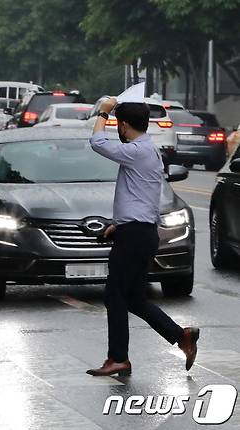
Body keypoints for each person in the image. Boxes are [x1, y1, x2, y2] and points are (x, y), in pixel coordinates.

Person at [86, 98, 199, 376]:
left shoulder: (138, 150)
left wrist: (103, 110)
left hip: (136, 235)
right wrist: (119, 224)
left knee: (114, 295)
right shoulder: (147, 149)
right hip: (139, 231)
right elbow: (142, 196)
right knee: (134, 298)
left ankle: (118, 358)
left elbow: (97, 143)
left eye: (118, 125)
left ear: (123, 126)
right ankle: (181, 336)